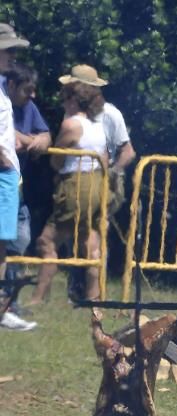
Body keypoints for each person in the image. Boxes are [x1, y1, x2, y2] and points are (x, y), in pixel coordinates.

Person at [57, 64, 134, 300]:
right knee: (79, 237)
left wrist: (111, 173)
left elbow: (128, 151)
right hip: (76, 180)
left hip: (102, 182)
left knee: (94, 236)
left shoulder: (109, 113)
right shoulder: (72, 113)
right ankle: (81, 288)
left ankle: (93, 294)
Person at [28, 80, 108, 305]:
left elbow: (56, 160)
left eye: (65, 99)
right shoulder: (97, 127)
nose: (63, 103)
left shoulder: (71, 125)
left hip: (75, 186)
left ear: (73, 100)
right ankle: (95, 299)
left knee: (47, 241)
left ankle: (38, 298)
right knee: (90, 243)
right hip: (96, 186)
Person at [3, 63, 49, 317]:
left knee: (20, 240)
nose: (32, 95)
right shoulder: (2, 101)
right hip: (5, 182)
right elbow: (10, 138)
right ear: (11, 86)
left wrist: (36, 139)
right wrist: (31, 140)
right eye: (26, 90)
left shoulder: (29, 107)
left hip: (17, 188)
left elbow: (45, 138)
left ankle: (10, 302)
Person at [0, 22, 36, 331]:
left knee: (3, 243)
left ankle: (1, 307)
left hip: (8, 174)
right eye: (8, 50)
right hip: (2, 172)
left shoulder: (2, 85)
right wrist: (6, 162)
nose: (13, 56)